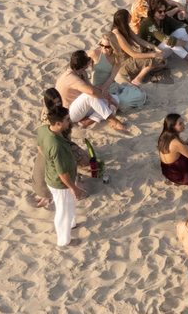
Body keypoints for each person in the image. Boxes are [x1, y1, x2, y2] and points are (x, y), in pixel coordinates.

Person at [39, 101, 84, 247]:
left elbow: (39, 145)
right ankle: (64, 241)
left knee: (68, 206)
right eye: (66, 120)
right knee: (62, 211)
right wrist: (74, 188)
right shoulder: (56, 146)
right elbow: (62, 173)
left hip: (54, 177)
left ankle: (71, 224)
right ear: (58, 123)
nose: (69, 122)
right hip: (60, 184)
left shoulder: (44, 130)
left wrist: (48, 158)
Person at [57, 50, 131, 135]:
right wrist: (106, 97)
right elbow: (91, 92)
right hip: (69, 112)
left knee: (115, 100)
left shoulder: (81, 73)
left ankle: (87, 121)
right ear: (84, 65)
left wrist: (106, 95)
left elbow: (91, 87)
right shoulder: (71, 77)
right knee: (90, 96)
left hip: (82, 107)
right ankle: (113, 120)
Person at [109, 7, 178, 84]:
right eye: (129, 16)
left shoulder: (124, 28)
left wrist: (153, 47)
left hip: (130, 59)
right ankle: (138, 79)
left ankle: (143, 71)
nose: (131, 17)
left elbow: (138, 40)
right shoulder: (117, 35)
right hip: (123, 65)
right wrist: (153, 55)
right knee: (156, 59)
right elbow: (133, 54)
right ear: (125, 20)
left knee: (161, 61)